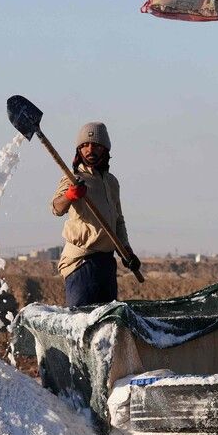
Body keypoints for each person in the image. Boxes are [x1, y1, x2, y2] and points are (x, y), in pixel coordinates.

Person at [52, 122, 140, 307]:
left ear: (105, 149)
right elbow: (56, 208)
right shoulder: (72, 179)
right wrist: (70, 195)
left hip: (106, 264)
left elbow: (118, 221)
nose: (89, 149)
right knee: (82, 324)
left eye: (95, 145)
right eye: (84, 145)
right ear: (79, 150)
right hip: (81, 263)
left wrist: (126, 251)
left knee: (106, 326)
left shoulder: (112, 182)